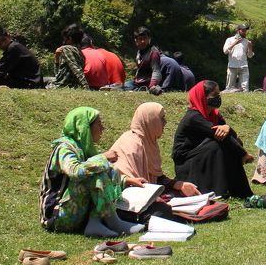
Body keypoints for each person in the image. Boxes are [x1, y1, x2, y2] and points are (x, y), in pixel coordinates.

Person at [39, 106, 145, 237]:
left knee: (106, 169)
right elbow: (76, 171)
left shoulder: (83, 148)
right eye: (99, 124)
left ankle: (95, 223)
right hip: (57, 217)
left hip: (74, 212)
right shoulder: (64, 148)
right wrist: (103, 158)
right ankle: (112, 222)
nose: (102, 129)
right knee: (96, 170)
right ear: (84, 127)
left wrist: (127, 180)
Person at [106, 102, 200, 220]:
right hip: (125, 200)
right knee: (163, 211)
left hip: (149, 192)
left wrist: (178, 185)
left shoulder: (149, 142)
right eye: (161, 119)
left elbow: (157, 177)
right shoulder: (133, 144)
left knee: (185, 196)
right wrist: (154, 196)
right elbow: (131, 184)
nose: (165, 123)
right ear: (150, 120)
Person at [172, 81, 254, 199]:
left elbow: (231, 137)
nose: (218, 98)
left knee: (234, 143)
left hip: (201, 154)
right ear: (203, 98)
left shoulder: (214, 115)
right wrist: (243, 154)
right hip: (186, 162)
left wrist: (228, 128)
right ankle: (218, 189)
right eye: (214, 95)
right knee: (217, 144)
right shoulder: (193, 117)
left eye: (218, 94)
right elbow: (219, 135)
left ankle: (235, 189)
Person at [48, 24, 89, 90]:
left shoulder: (66, 49)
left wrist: (86, 87)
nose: (64, 41)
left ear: (70, 38)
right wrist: (57, 57)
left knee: (42, 80)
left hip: (61, 85)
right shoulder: (81, 53)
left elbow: (75, 68)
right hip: (72, 85)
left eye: (65, 38)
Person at [132, 26, 164, 95]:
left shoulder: (153, 53)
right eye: (140, 39)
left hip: (146, 85)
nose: (143, 41)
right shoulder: (139, 52)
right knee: (121, 86)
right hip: (137, 83)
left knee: (125, 87)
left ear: (149, 39)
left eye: (145, 38)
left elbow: (156, 71)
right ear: (136, 40)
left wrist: (152, 86)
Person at [222, 23, 253, 92]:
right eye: (243, 30)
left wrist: (250, 48)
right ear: (238, 30)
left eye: (245, 30)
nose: (245, 32)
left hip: (244, 66)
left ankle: (245, 100)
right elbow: (225, 51)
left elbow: (250, 56)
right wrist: (235, 43)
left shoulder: (246, 41)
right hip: (232, 66)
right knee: (229, 87)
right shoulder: (230, 39)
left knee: (245, 88)